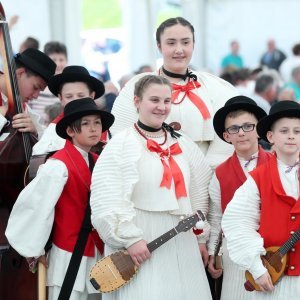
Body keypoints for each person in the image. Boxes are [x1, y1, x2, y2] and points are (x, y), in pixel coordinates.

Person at [90, 75, 213, 300]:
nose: (161, 107)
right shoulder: (121, 144)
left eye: (167, 101)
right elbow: (106, 198)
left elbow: (199, 189)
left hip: (182, 240)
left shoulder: (182, 143)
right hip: (142, 240)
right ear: (137, 101)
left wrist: (201, 238)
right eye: (154, 100)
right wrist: (129, 239)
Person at [6, 97, 115, 300]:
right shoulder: (57, 166)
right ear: (71, 131)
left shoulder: (101, 161)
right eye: (86, 123)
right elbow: (35, 207)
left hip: (98, 252)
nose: (93, 129)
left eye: (97, 122)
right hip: (68, 252)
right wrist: (34, 248)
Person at [110, 17, 239, 170]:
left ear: (193, 45)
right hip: (152, 175)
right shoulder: (137, 86)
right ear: (159, 46)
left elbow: (226, 140)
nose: (179, 50)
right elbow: (122, 136)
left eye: (185, 42)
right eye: (171, 43)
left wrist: (206, 175)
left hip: (206, 176)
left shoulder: (216, 87)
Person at [222, 100, 300, 299]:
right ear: (270, 136)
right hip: (276, 276)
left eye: (298, 131)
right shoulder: (258, 177)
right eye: (284, 130)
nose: (291, 135)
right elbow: (237, 221)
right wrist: (257, 268)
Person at [207, 96, 272, 300]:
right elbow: (217, 216)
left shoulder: (278, 164)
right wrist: (214, 253)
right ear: (227, 136)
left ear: (259, 130)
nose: (241, 132)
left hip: (273, 250)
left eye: (247, 126)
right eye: (234, 129)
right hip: (235, 251)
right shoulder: (219, 173)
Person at [32, 65, 105, 155]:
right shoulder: (53, 131)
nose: (75, 100)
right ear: (60, 98)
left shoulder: (105, 126)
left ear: (91, 96)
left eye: (81, 96)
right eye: (69, 96)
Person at [0, 48, 56, 138]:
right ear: (20, 73)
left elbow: (48, 138)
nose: (36, 96)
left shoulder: (22, 107)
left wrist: (35, 131)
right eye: (35, 87)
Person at [28, 41, 68, 124]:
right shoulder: (37, 87)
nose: (58, 64)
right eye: (54, 60)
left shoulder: (69, 88)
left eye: (61, 60)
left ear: (66, 61)